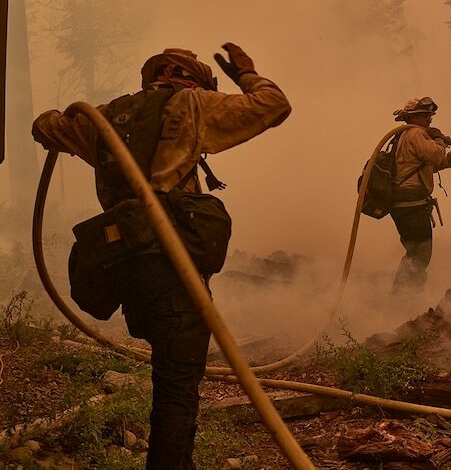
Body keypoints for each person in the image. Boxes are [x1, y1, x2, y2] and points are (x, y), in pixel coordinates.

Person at [32, 44, 290, 470]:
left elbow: (44, 126)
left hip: (124, 265)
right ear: (195, 80)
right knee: (176, 387)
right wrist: (246, 74)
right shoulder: (190, 103)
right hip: (173, 266)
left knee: (168, 372)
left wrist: (64, 122)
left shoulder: (106, 117)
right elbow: (274, 105)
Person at [389, 96, 451, 294]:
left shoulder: (408, 136)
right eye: (426, 116)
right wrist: (438, 139)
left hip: (408, 204)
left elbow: (434, 164)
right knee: (419, 254)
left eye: (430, 116)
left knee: (417, 253)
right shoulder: (415, 134)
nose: (430, 120)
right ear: (415, 117)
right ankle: (403, 299)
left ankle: (403, 296)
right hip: (411, 204)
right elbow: (436, 154)